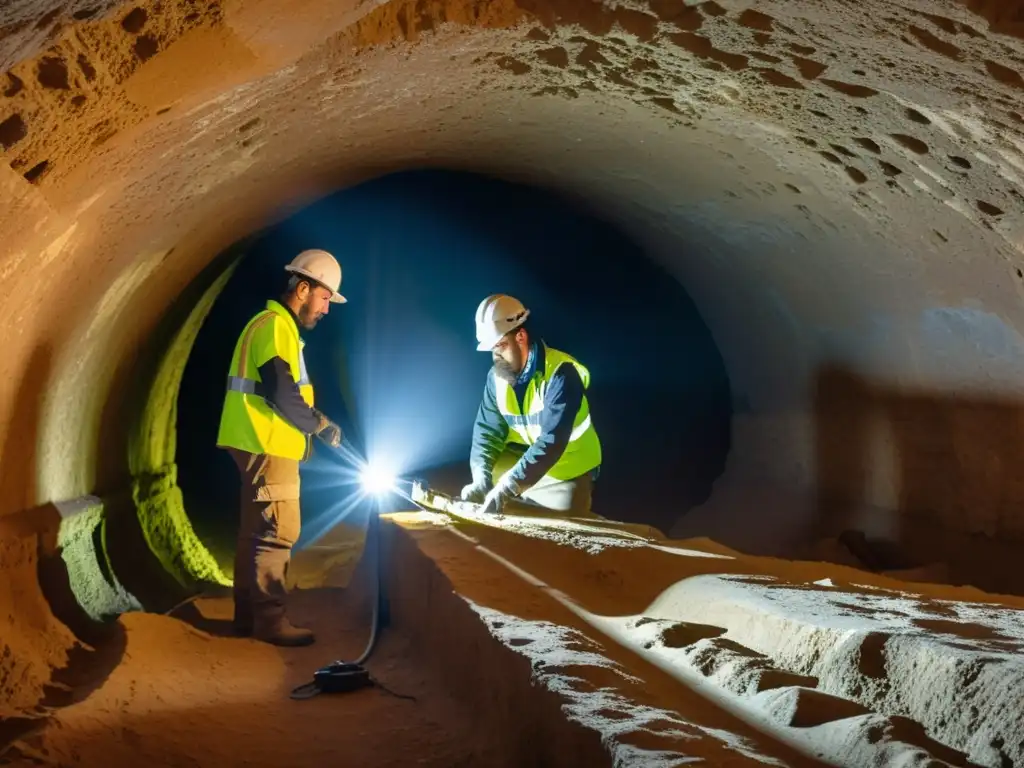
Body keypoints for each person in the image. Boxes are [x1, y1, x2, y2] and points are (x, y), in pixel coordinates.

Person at [216, 249, 347, 647]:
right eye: (325, 298)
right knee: (278, 529)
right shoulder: (275, 325)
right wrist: (318, 424)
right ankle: (270, 622)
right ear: (303, 289)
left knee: (254, 532)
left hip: (255, 439)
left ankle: (246, 617)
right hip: (267, 441)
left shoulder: (270, 325)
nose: (326, 308)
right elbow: (279, 389)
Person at [460, 294, 602, 517]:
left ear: (521, 337)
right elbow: (487, 432)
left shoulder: (561, 374)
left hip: (568, 469)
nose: (497, 356)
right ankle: (514, 494)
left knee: (562, 517)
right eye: (492, 350)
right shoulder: (497, 378)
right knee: (490, 479)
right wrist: (481, 480)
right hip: (526, 461)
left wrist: (509, 486)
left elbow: (551, 441)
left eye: (501, 346)